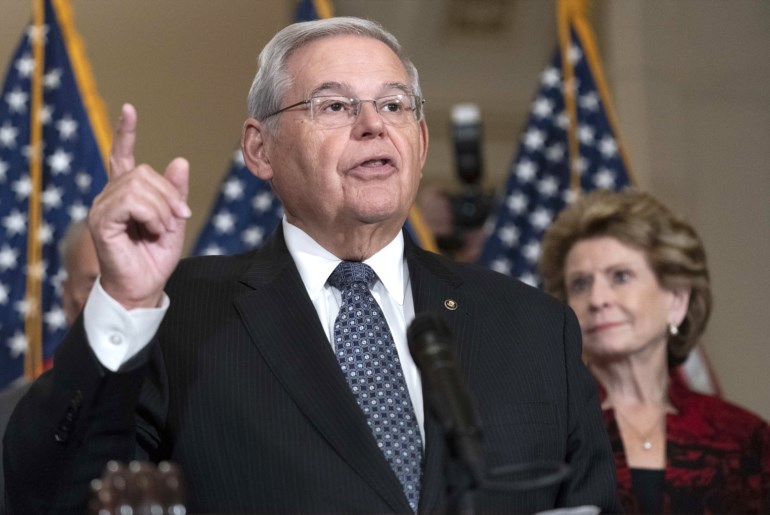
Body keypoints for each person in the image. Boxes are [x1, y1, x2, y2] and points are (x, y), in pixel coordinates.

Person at [5, 17, 620, 514]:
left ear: (422, 141)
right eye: (334, 106)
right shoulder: (181, 315)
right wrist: (125, 300)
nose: (373, 125)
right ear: (259, 148)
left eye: (394, 105)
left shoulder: (534, 326)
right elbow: (49, 496)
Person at [538, 189, 770, 513]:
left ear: (676, 300)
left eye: (620, 276)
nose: (597, 299)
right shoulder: (544, 432)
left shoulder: (744, 436)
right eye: (580, 284)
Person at [0, 217, 99, 515]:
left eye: (122, 282)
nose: (112, 303)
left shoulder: (189, 401)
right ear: (67, 297)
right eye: (95, 285)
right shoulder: (9, 417)